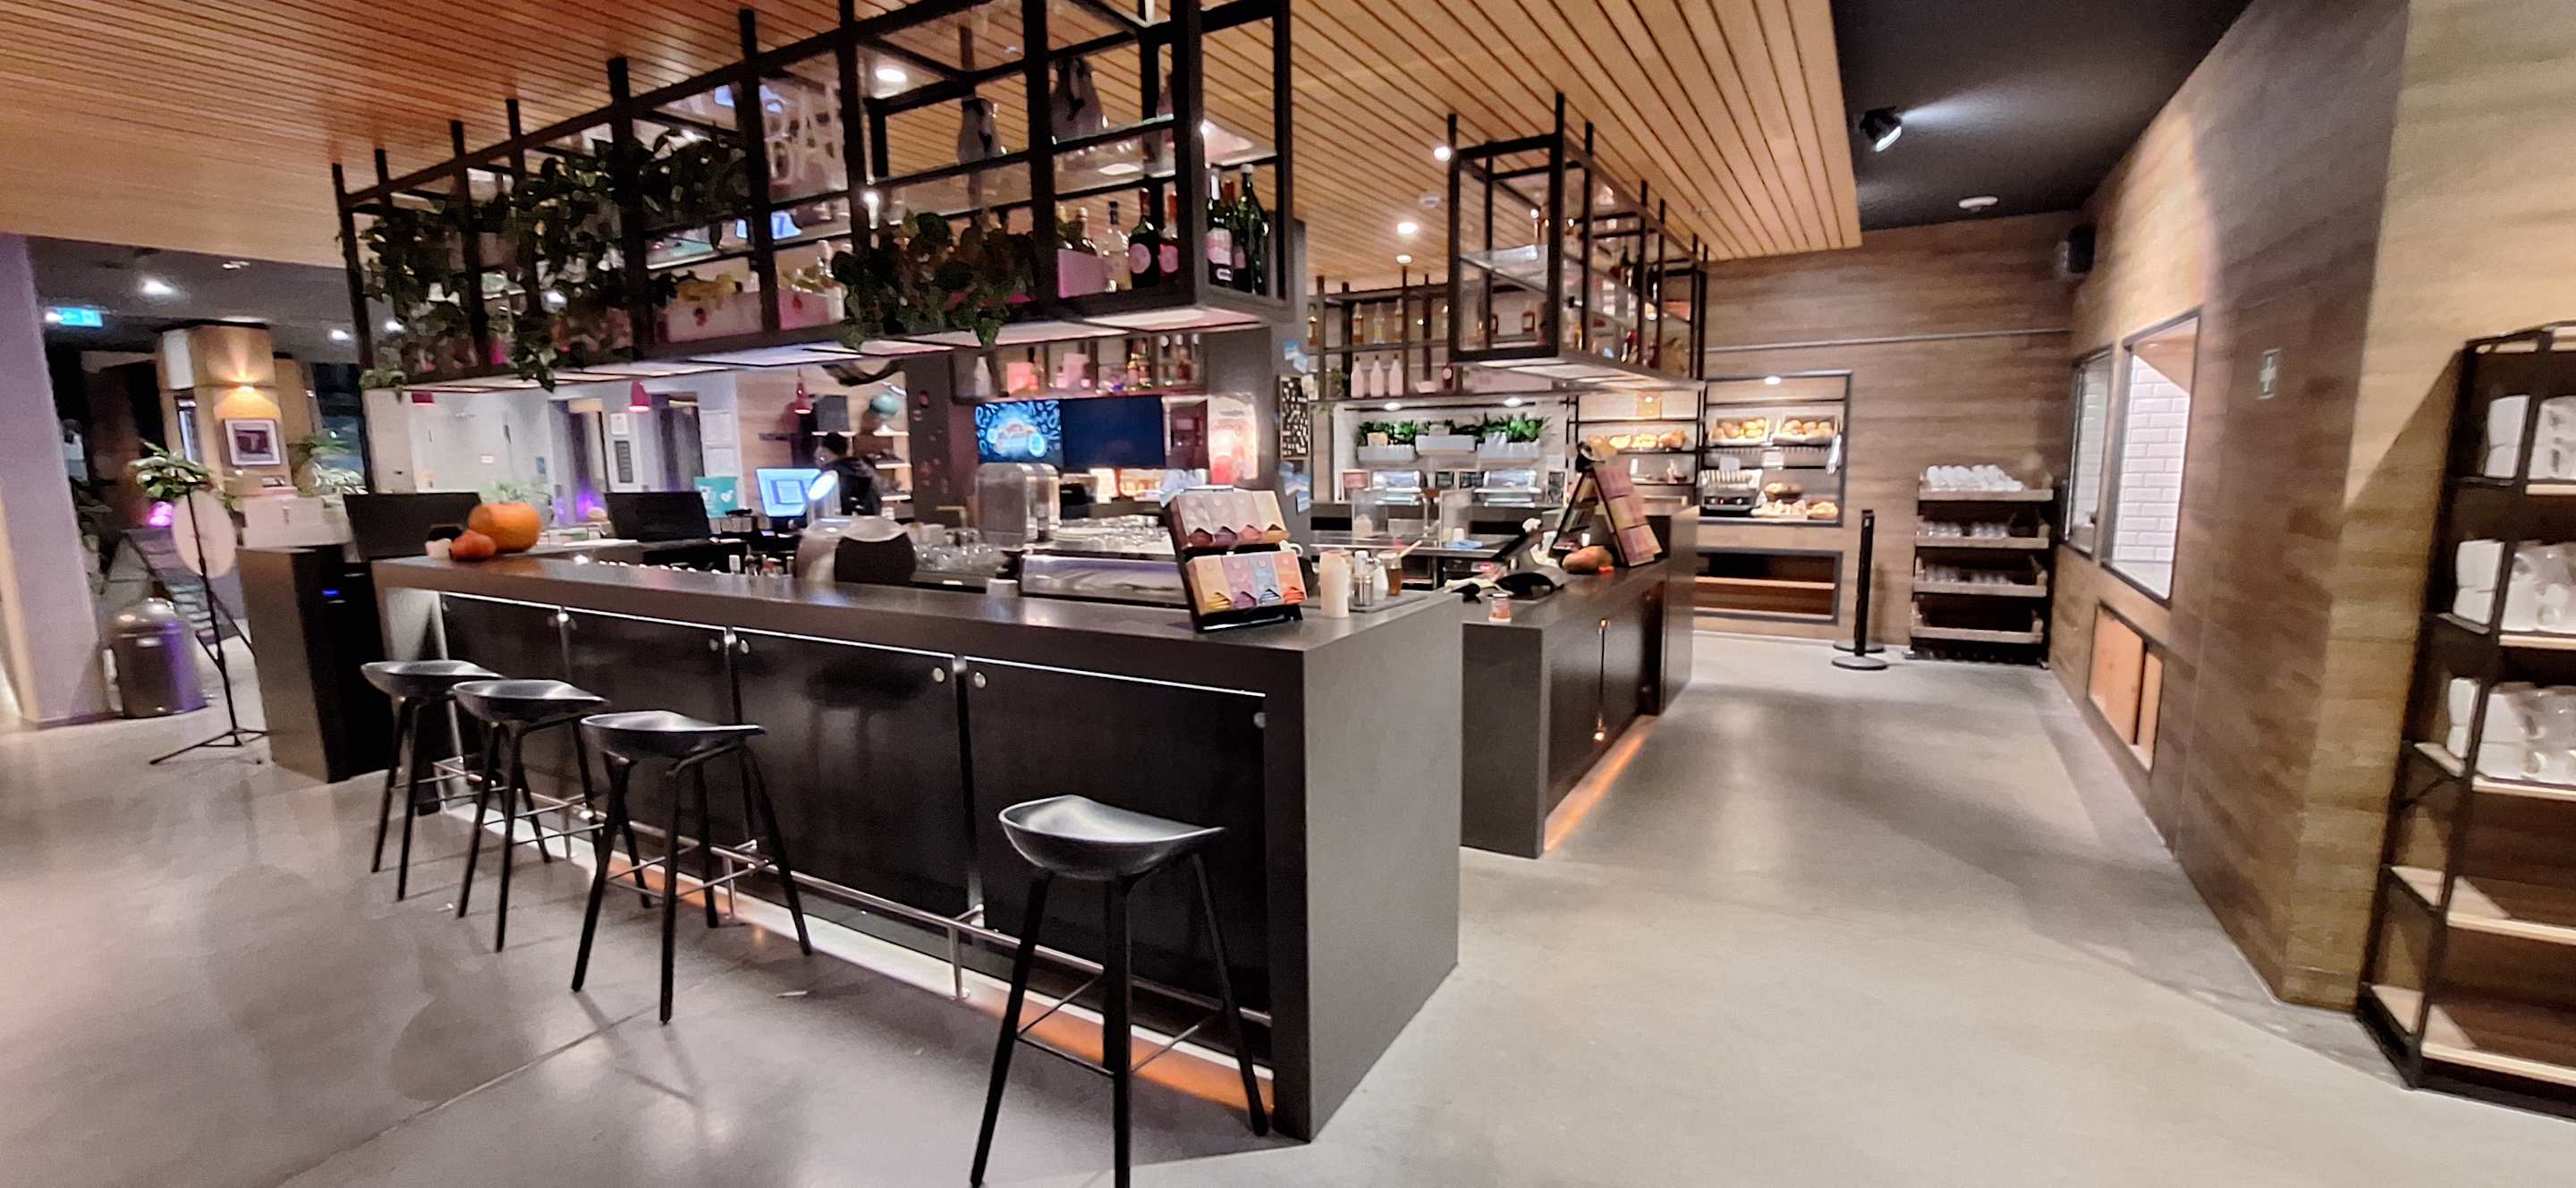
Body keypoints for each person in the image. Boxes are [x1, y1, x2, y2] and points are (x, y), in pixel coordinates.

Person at [813, 432, 881, 517]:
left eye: (817, 458)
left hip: (843, 523)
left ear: (824, 453)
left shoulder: (830, 476)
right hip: (871, 522)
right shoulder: (867, 470)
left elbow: (818, 507)